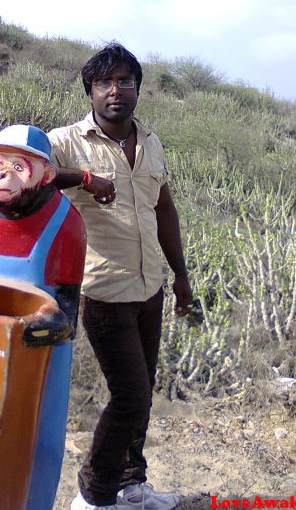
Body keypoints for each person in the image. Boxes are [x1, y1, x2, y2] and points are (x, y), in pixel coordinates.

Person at [47, 43, 193, 510]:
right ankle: (92, 495)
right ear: (90, 91)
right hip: (102, 289)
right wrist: (85, 179)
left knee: (142, 393)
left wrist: (181, 278)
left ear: (138, 89)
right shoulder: (67, 141)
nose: (116, 91)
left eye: (125, 81)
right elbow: (27, 171)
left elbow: (164, 209)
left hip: (149, 285)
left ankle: (131, 485)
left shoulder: (151, 141)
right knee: (129, 395)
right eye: (105, 83)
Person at [0, 124, 87, 510]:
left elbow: (68, 316)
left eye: (17, 166)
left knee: (38, 440)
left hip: (37, 359)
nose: (0, 173)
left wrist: (21, 334)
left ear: (46, 175)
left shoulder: (65, 223)